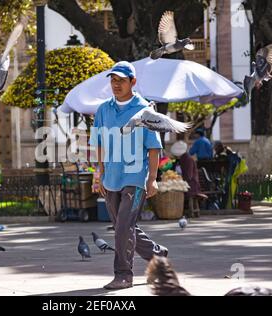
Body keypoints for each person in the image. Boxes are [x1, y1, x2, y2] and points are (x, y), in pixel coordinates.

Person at [89, 61, 168, 290]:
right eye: (113, 80)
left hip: (135, 178)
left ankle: (123, 274)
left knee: (124, 226)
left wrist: (152, 178)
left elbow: (153, 147)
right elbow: (100, 143)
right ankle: (157, 255)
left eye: (121, 80)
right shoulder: (103, 110)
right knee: (124, 226)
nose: (116, 84)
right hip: (111, 177)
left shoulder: (145, 110)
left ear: (133, 82)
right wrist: (100, 173)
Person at [171, 141, 207, 218]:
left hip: (191, 185)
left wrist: (181, 180)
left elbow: (189, 175)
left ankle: (188, 211)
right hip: (186, 182)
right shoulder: (182, 159)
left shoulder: (188, 159)